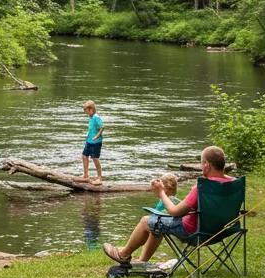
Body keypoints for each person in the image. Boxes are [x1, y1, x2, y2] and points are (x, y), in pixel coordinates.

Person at [102, 146, 234, 266]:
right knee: (158, 223)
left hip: (194, 232)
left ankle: (123, 254)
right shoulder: (233, 183)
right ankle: (142, 260)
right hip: (221, 232)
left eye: (201, 163)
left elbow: (174, 212)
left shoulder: (202, 187)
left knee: (146, 221)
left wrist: (161, 193)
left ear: (206, 165)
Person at [77, 100, 104, 184]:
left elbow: (102, 127)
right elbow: (92, 128)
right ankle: (85, 175)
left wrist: (97, 136)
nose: (86, 113)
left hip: (96, 142)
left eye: (86, 111)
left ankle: (99, 178)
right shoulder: (91, 117)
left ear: (91, 109)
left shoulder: (96, 117)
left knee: (95, 158)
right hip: (89, 141)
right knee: (84, 156)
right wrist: (88, 135)